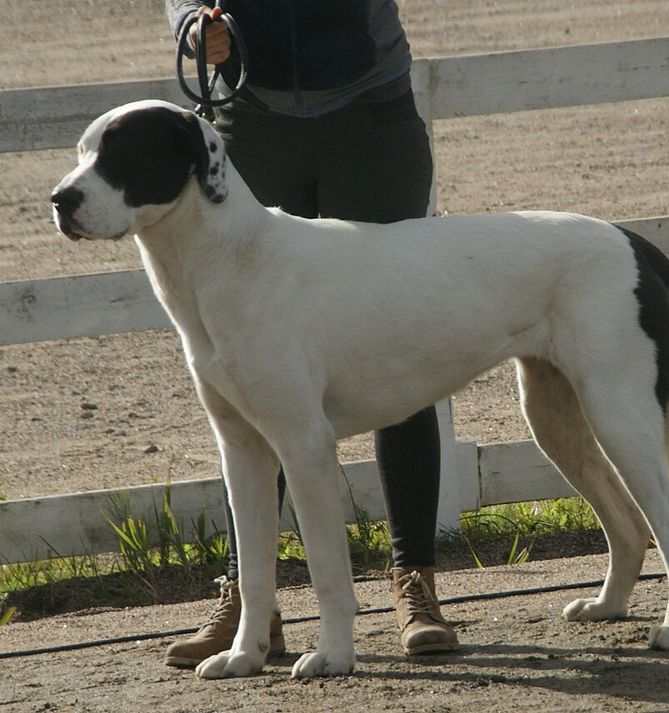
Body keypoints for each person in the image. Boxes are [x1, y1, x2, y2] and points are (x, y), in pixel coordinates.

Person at [163, 0, 459, 667]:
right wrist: (191, 22)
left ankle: (416, 580)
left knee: (397, 345)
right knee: (246, 376)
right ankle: (250, 601)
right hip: (252, 117)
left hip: (369, 111)